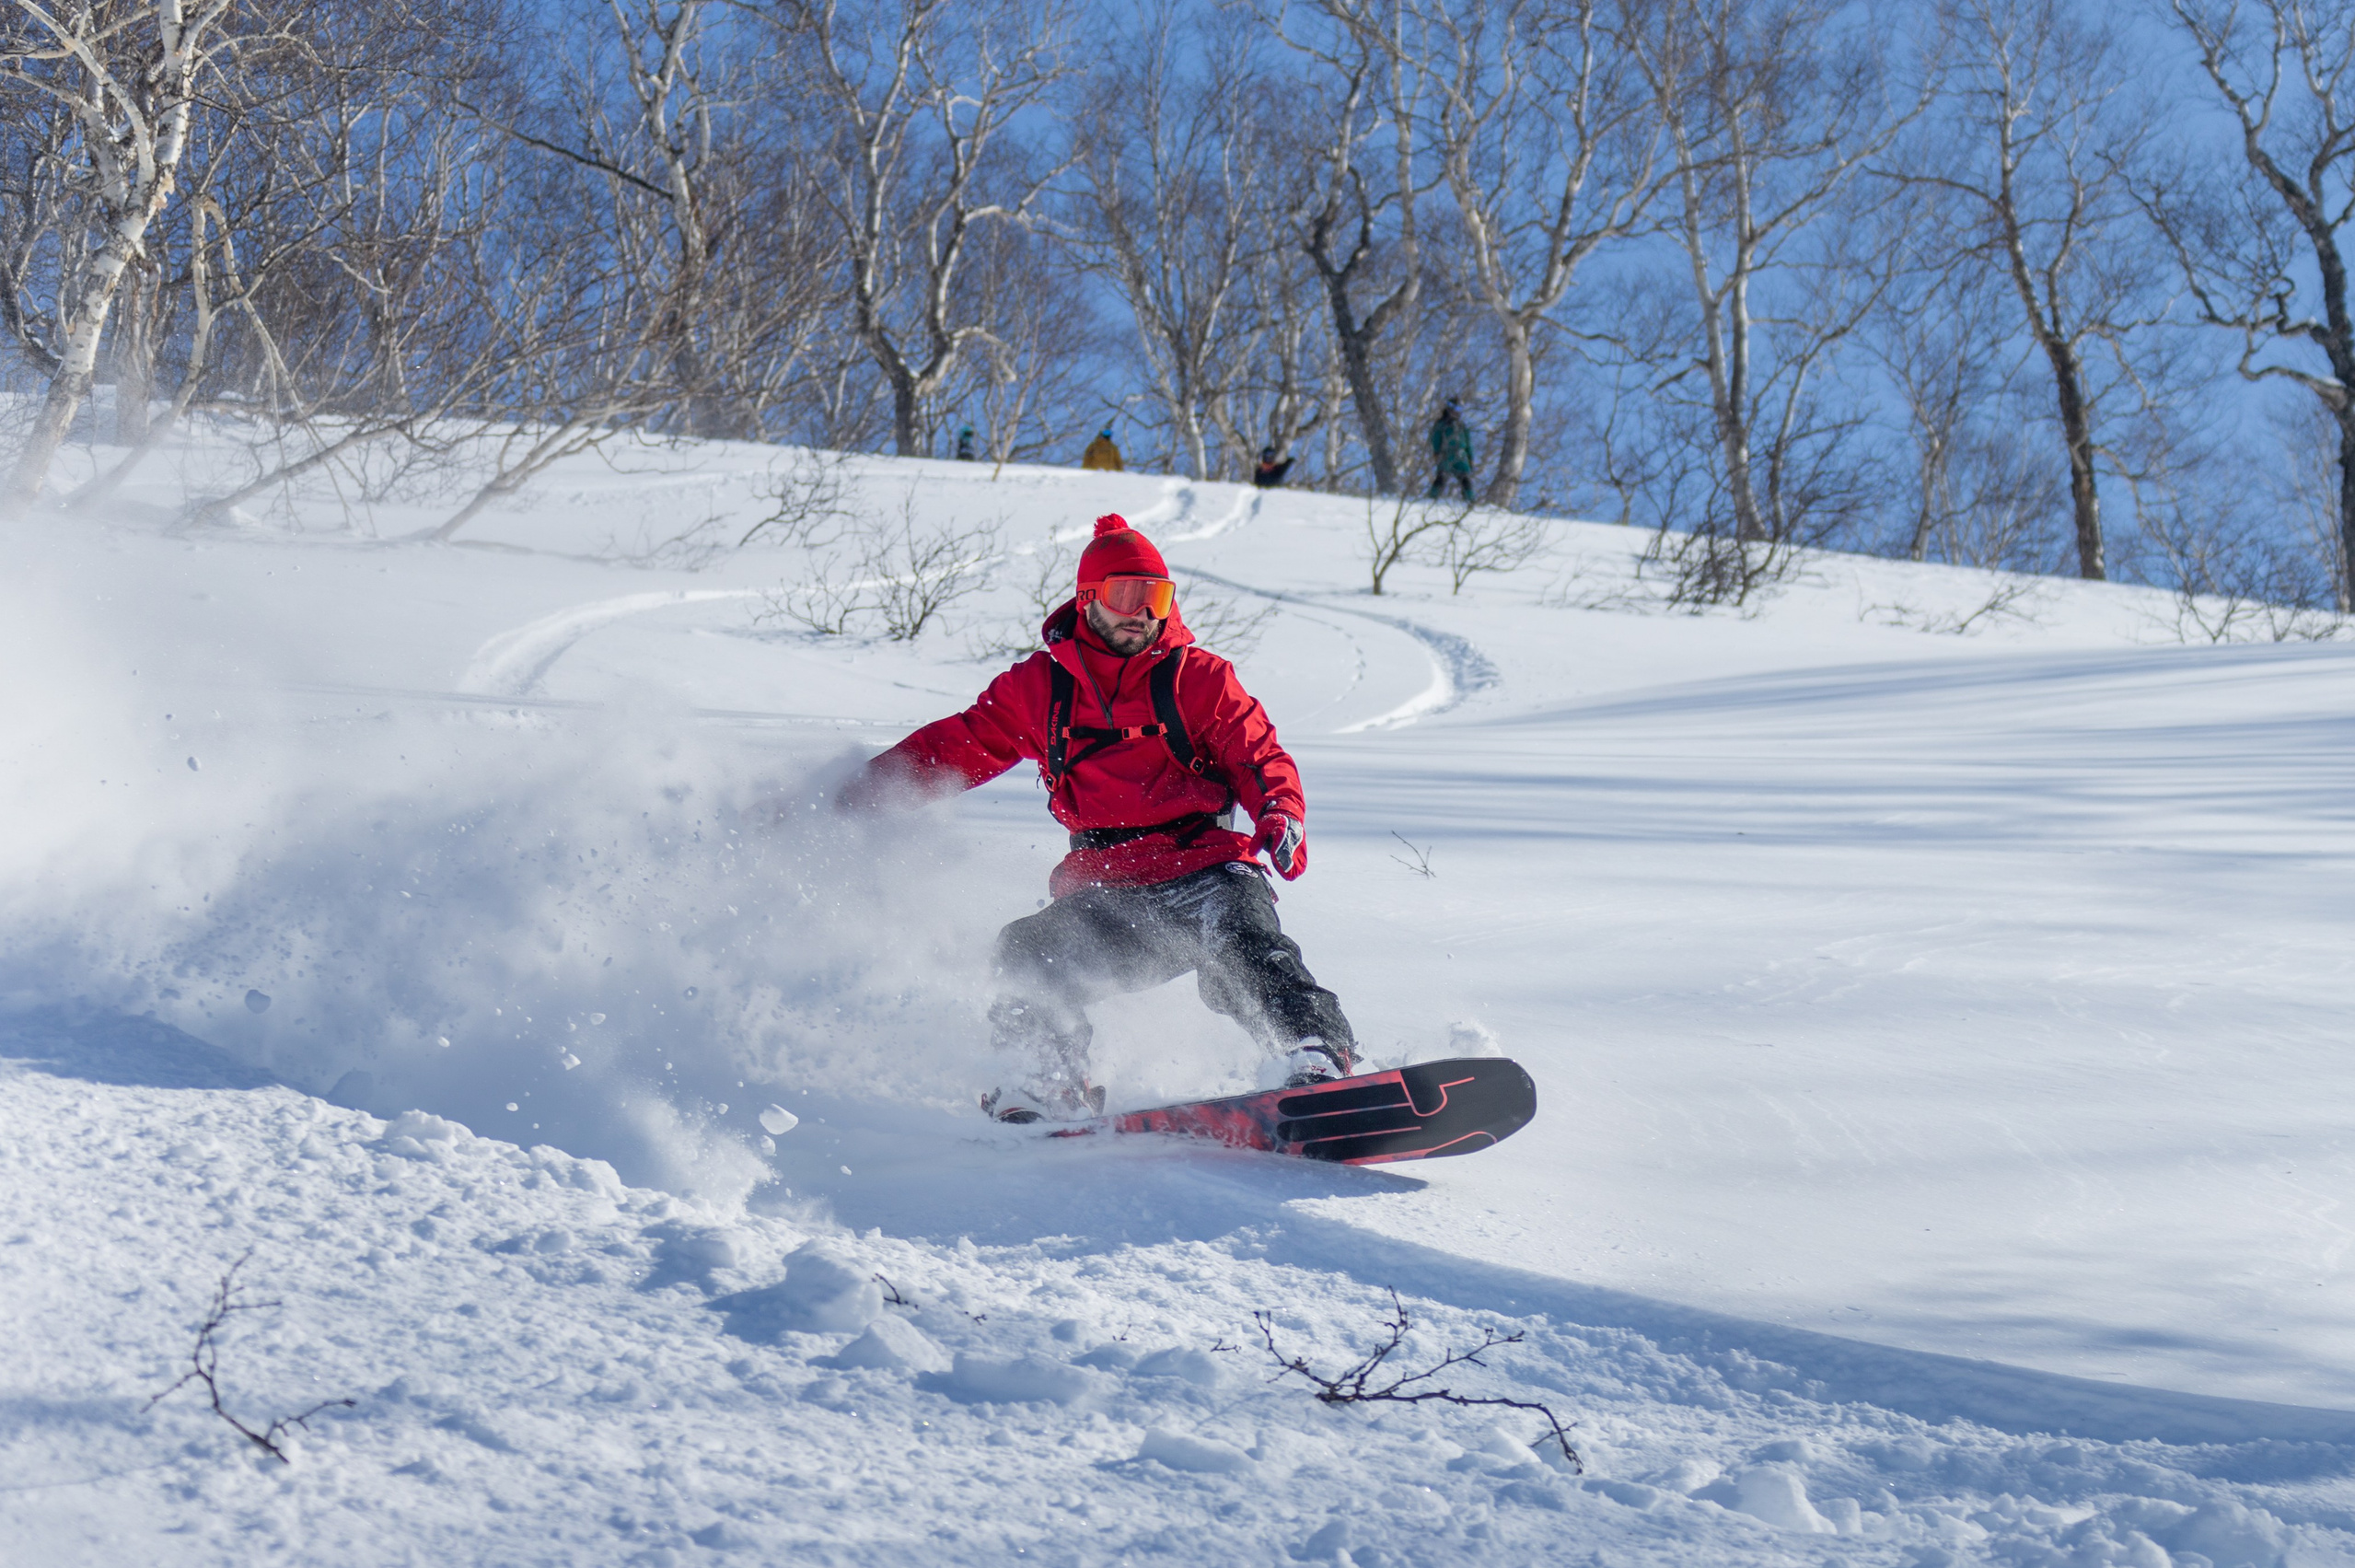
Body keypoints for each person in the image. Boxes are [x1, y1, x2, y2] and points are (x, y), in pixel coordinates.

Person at [838, 513, 1358, 1122]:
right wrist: (853, 796)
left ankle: (1312, 1054)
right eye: (1125, 594)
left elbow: (1259, 752)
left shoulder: (1199, 679)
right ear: (1088, 600)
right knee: (1025, 950)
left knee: (1243, 939)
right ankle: (1042, 1079)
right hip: (1109, 894)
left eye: (1156, 596)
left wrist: (1280, 809)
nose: (1142, 610)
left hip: (1205, 872)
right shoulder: (1041, 689)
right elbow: (954, 747)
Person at [1429, 401, 1475, 501]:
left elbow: (1468, 443)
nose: (1458, 412)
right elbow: (1436, 440)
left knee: (1465, 480)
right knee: (1441, 478)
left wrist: (1470, 457)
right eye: (1456, 409)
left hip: (1461, 457)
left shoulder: (1461, 426)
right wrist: (1436, 453)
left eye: (1460, 409)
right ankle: (1431, 499)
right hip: (1446, 456)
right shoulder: (1441, 424)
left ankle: (1470, 501)